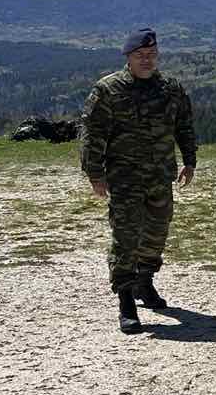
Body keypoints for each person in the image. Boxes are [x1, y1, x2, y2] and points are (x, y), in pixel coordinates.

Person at [80, 27, 197, 335]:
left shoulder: (170, 88)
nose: (147, 60)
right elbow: (93, 134)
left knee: (156, 234)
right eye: (140, 55)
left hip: (160, 176)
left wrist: (190, 160)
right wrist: (95, 174)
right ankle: (125, 299)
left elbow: (184, 125)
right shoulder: (109, 89)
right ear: (128, 57)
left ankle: (144, 282)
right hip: (125, 179)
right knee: (126, 237)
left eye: (151, 55)